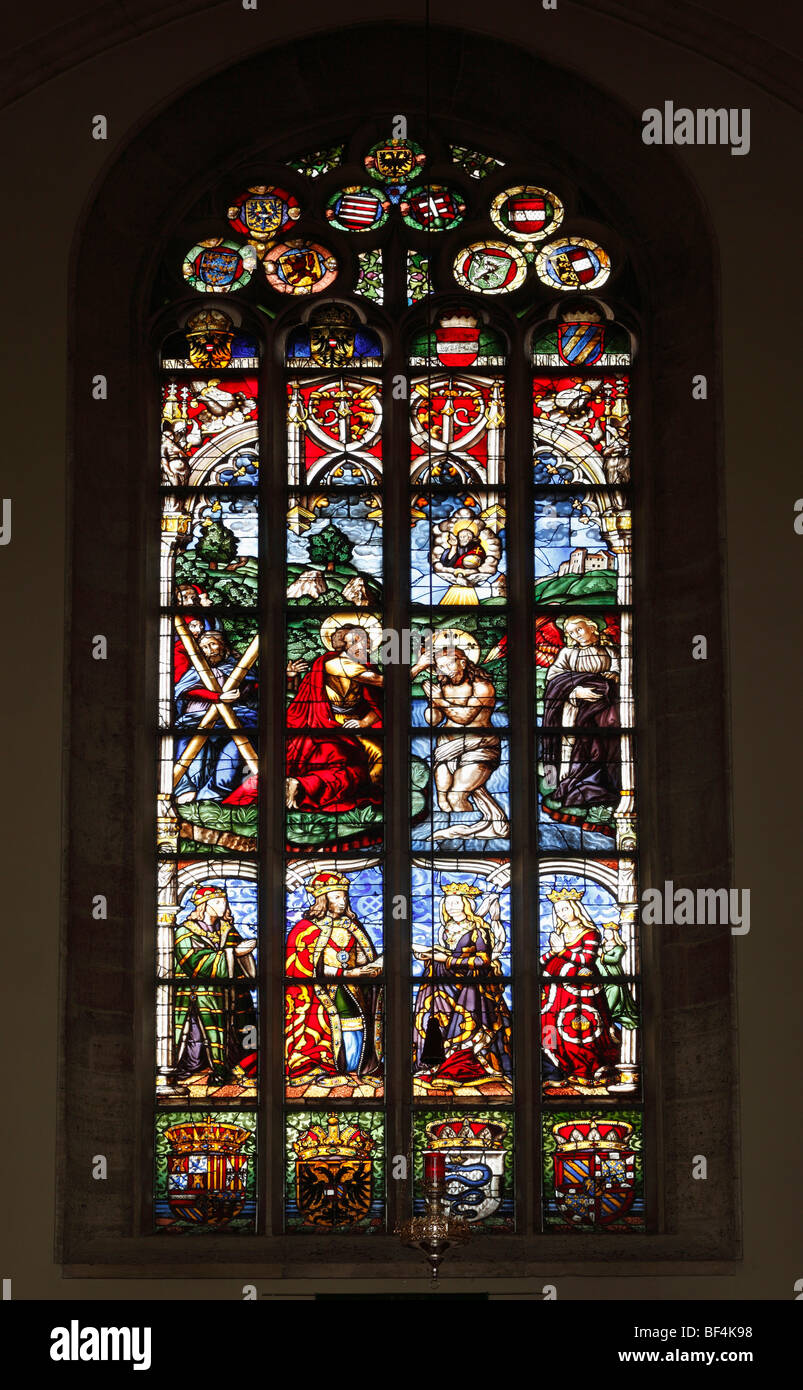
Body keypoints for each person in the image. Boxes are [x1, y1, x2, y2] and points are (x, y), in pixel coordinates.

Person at [285, 870, 383, 1088]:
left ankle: (357, 1068)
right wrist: (346, 974)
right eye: (336, 896)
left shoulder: (352, 926)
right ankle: (325, 1067)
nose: (343, 901)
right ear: (323, 899)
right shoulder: (305, 930)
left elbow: (359, 957)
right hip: (319, 994)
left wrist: (370, 970)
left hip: (353, 989)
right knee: (333, 1021)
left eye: (344, 896)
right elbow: (306, 967)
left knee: (358, 1023)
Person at [412, 883, 512, 1091]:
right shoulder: (447, 929)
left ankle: (464, 1063)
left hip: (472, 989)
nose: (452, 907)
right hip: (444, 986)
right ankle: (434, 1062)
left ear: (467, 904)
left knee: (464, 1024)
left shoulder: (479, 930)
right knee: (435, 1019)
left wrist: (445, 959)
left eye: (457, 902)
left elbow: (481, 961)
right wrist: (432, 956)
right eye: (448, 903)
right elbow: (452, 955)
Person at [411, 635, 508, 840]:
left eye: (448, 664)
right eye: (440, 666)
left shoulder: (482, 687)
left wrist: (439, 699)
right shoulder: (444, 687)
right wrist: (433, 701)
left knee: (457, 795)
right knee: (444, 800)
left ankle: (467, 841)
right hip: (446, 747)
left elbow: (465, 718)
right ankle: (456, 837)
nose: (444, 669)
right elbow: (432, 721)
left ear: (463, 662)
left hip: (479, 746)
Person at [285, 620, 383, 813]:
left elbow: (379, 704)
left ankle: (304, 786)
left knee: (378, 760)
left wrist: (363, 722)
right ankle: (303, 786)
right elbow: (383, 683)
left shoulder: (365, 666)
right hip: (327, 725)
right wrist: (419, 666)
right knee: (349, 765)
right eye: (364, 640)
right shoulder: (336, 664)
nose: (370, 644)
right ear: (348, 643)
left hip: (356, 725)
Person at [171, 883, 257, 1086]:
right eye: (217, 901)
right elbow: (194, 963)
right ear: (204, 905)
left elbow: (240, 963)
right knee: (198, 1039)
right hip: (199, 996)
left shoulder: (227, 930)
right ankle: (200, 1069)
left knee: (235, 1033)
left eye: (224, 901)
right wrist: (234, 953)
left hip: (230, 995)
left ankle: (230, 1068)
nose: (223, 905)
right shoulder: (184, 933)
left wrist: (244, 955)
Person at [541, 890, 620, 1089]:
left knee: (583, 1026)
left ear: (576, 908)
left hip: (582, 992)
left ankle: (588, 1067)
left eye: (565, 908)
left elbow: (586, 960)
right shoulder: (560, 933)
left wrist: (562, 951)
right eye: (558, 910)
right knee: (551, 1024)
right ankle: (562, 1066)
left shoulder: (590, 933)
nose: (562, 913)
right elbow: (547, 958)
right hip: (558, 991)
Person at [542, 615, 620, 810]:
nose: (576, 635)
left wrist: (614, 677)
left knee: (602, 745)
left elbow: (620, 673)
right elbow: (553, 679)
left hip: (604, 709)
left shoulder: (610, 651)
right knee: (577, 743)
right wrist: (575, 691)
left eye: (579, 629)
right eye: (571, 633)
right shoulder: (568, 653)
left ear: (592, 627)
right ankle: (569, 784)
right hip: (574, 708)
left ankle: (600, 785)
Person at [173, 630, 258, 803]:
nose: (208, 650)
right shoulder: (196, 670)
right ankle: (186, 790)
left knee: (231, 758)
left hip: (234, 721)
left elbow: (255, 688)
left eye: (212, 644)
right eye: (203, 647)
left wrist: (286, 677)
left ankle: (211, 796)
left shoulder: (239, 668)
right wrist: (218, 698)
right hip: (196, 721)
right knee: (190, 755)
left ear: (223, 645)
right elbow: (186, 691)